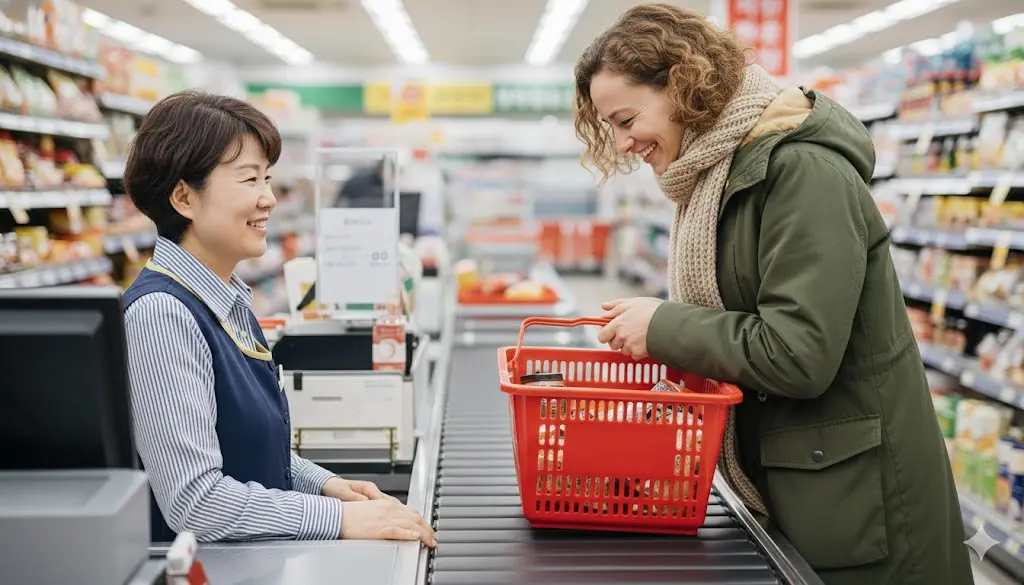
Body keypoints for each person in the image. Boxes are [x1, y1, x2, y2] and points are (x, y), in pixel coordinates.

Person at [575, 5, 974, 585]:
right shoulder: (715, 175)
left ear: (682, 85)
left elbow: (798, 353)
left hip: (864, 509)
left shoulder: (801, 171)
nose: (623, 140)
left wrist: (664, 326)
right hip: (802, 483)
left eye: (626, 117)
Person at [121, 90, 436, 547]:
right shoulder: (163, 314)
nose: (268, 198)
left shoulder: (227, 298)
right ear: (184, 197)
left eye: (267, 178)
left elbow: (249, 450)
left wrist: (324, 484)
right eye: (249, 180)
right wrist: (336, 519)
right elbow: (195, 501)